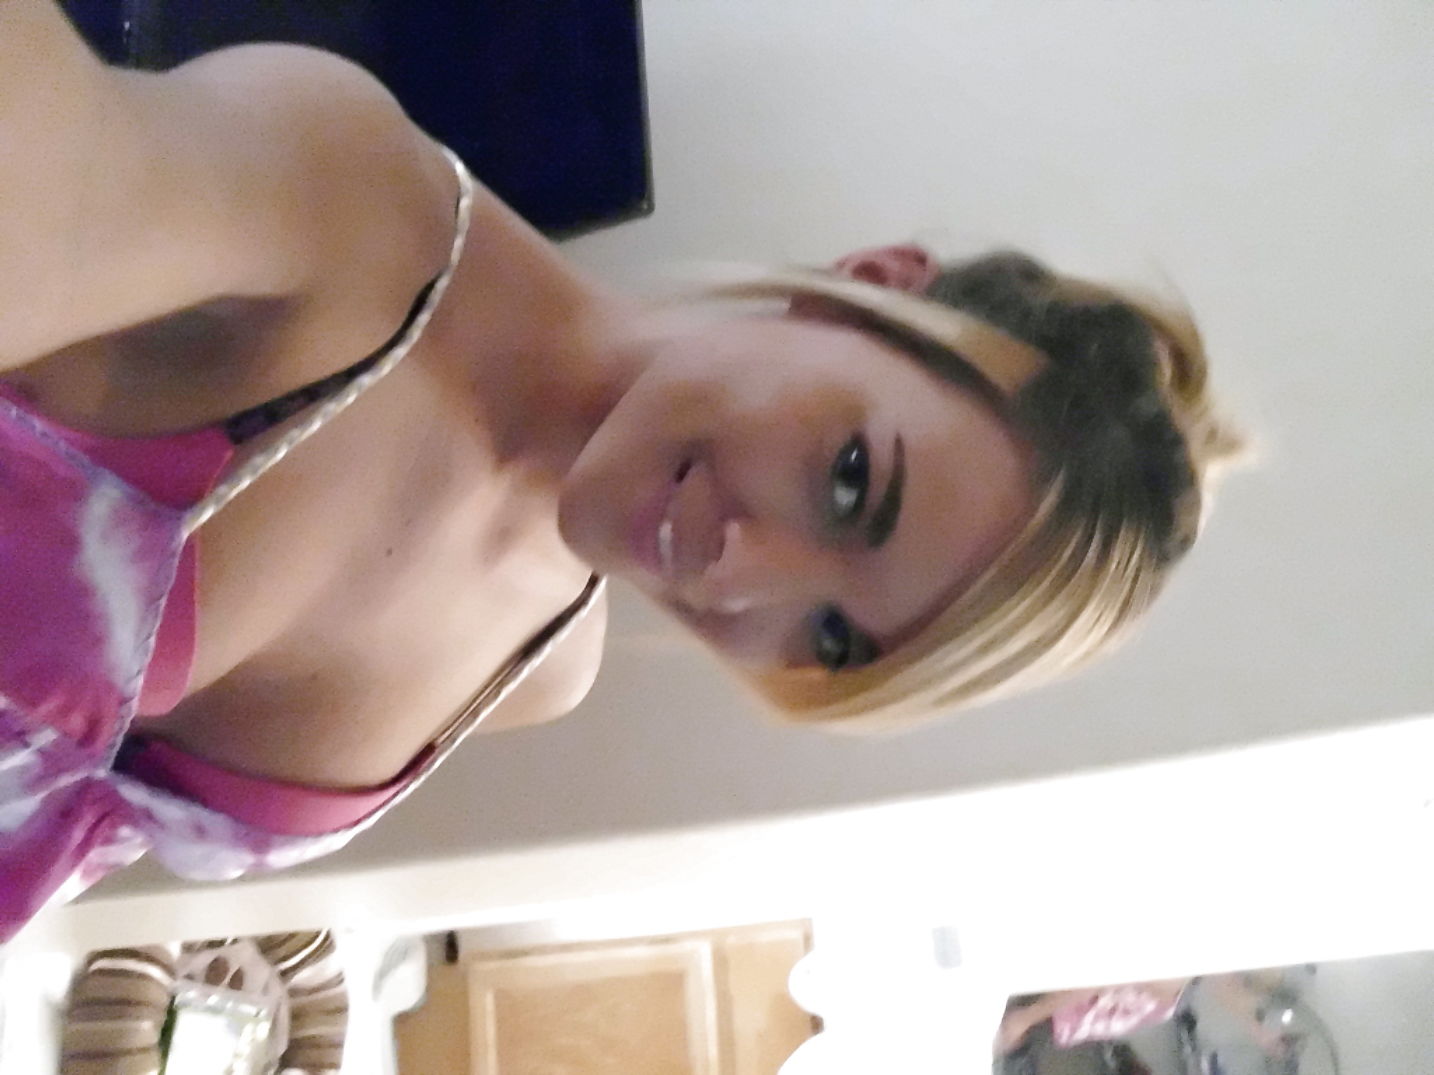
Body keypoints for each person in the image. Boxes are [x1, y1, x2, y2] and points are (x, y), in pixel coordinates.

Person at [0, 0, 1243, 941]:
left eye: (833, 637)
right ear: (868, 289)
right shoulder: (355, 217)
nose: (741, 572)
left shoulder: (541, 668)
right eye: (850, 482)